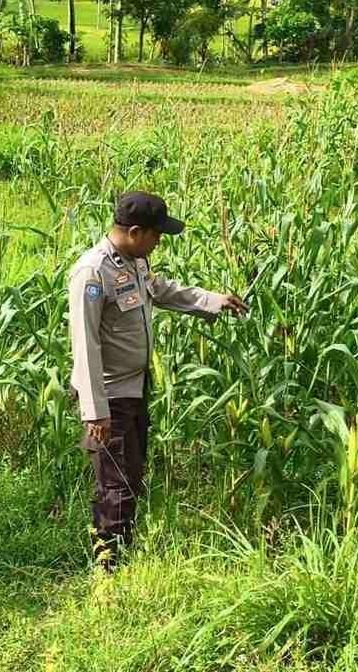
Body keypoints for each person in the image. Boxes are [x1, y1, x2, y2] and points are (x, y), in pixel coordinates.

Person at [67, 191, 247, 570]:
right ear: (135, 232)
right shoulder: (93, 273)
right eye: (156, 235)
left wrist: (213, 301)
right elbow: (85, 344)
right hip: (109, 398)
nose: (159, 242)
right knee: (117, 482)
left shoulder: (135, 263)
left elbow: (161, 291)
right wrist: (95, 411)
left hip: (134, 390)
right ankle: (108, 568)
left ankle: (117, 553)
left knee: (130, 475)